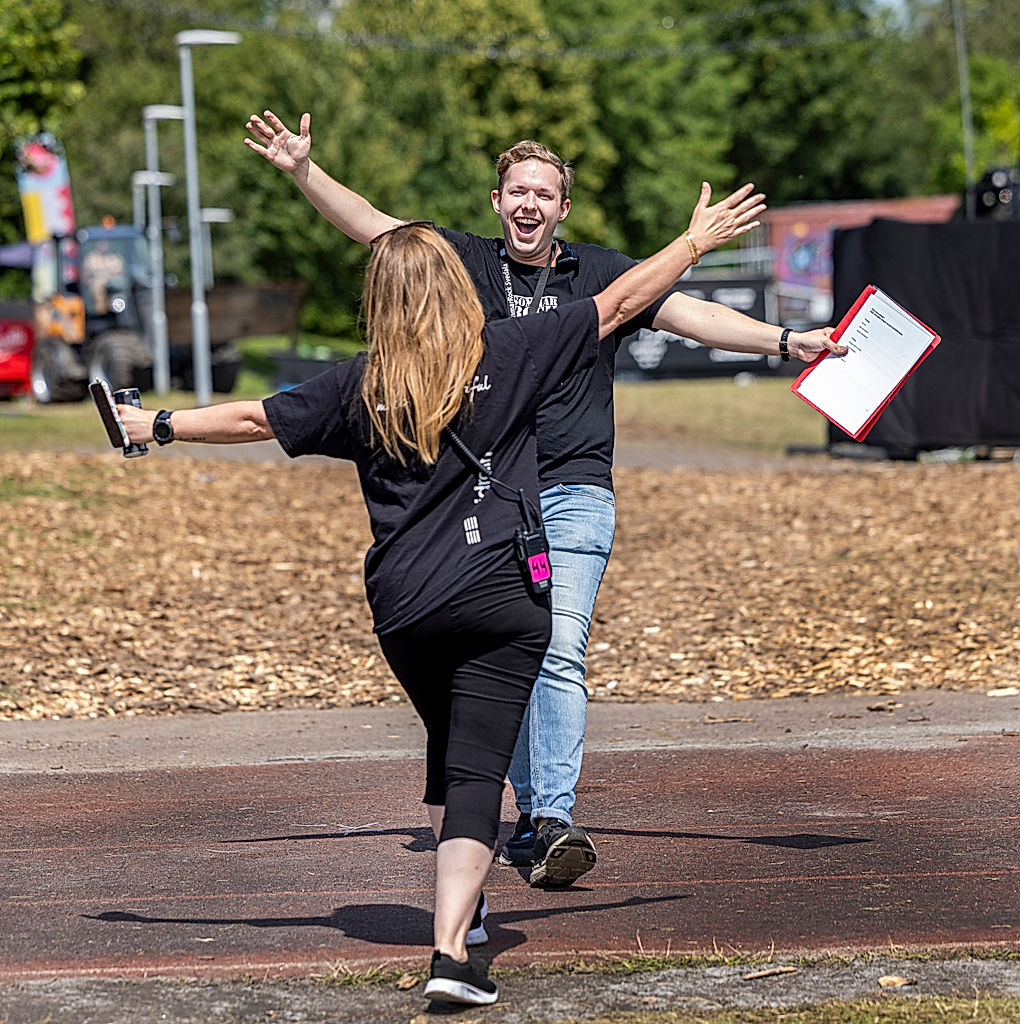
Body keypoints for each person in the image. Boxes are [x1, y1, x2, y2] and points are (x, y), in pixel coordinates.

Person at [115, 211, 761, 1006]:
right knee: (478, 771)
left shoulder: (360, 384)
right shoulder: (513, 351)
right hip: (500, 596)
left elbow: (256, 416)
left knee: (453, 753)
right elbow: (623, 302)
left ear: (380, 301)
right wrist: (693, 243)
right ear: (457, 289)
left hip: (407, 608)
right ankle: (452, 952)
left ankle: (471, 912)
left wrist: (157, 425)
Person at [243, 111, 844, 889]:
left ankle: (551, 817)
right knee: (509, 658)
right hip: (487, 498)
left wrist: (783, 341)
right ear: (497, 202)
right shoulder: (460, 261)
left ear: (564, 208)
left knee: (559, 647)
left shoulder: (597, 273)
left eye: (545, 193)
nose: (530, 203)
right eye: (517, 190)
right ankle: (529, 815)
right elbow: (375, 228)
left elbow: (688, 312)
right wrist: (300, 169)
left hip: (574, 489)